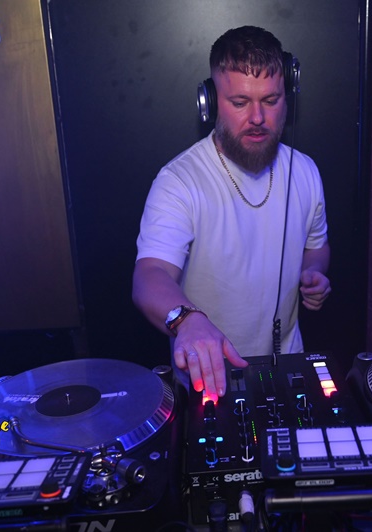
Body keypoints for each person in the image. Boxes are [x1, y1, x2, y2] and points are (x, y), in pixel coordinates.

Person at [132, 26, 331, 401]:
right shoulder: (179, 181)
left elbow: (316, 247)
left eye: (270, 100)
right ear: (209, 102)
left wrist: (314, 273)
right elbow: (149, 276)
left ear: (287, 98)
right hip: (208, 382)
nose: (257, 117)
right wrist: (186, 320)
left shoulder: (305, 171)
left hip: (289, 372)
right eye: (240, 102)